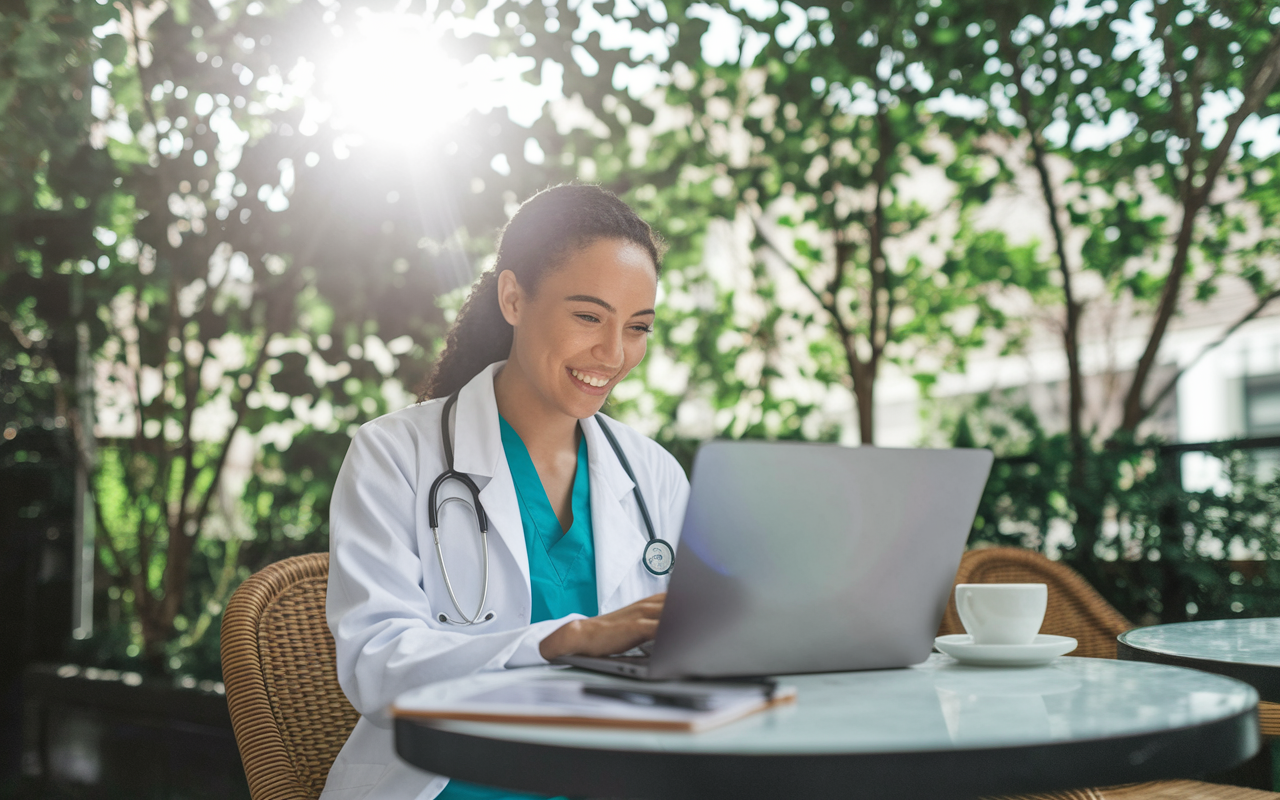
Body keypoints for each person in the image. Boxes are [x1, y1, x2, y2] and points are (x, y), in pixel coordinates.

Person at [322, 184, 691, 800]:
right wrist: (564, 639)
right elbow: (377, 664)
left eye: (638, 327)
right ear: (514, 298)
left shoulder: (653, 475)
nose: (614, 352)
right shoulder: (395, 454)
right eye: (588, 316)